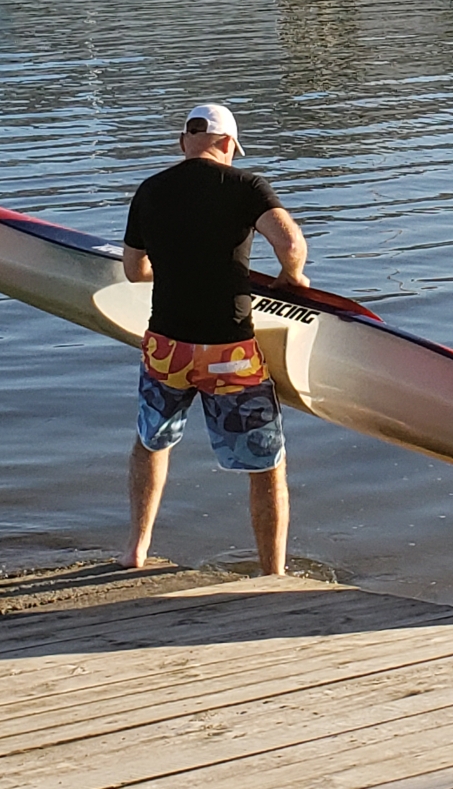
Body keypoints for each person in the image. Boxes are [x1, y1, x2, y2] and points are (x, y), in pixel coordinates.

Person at [119, 102, 309, 575]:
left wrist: (175, 261)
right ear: (227, 145)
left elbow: (133, 269)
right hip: (229, 355)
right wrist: (294, 277)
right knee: (266, 467)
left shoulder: (150, 190)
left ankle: (136, 551)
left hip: (168, 350)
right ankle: (273, 574)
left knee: (151, 443)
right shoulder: (246, 186)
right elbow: (289, 242)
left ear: (186, 142)